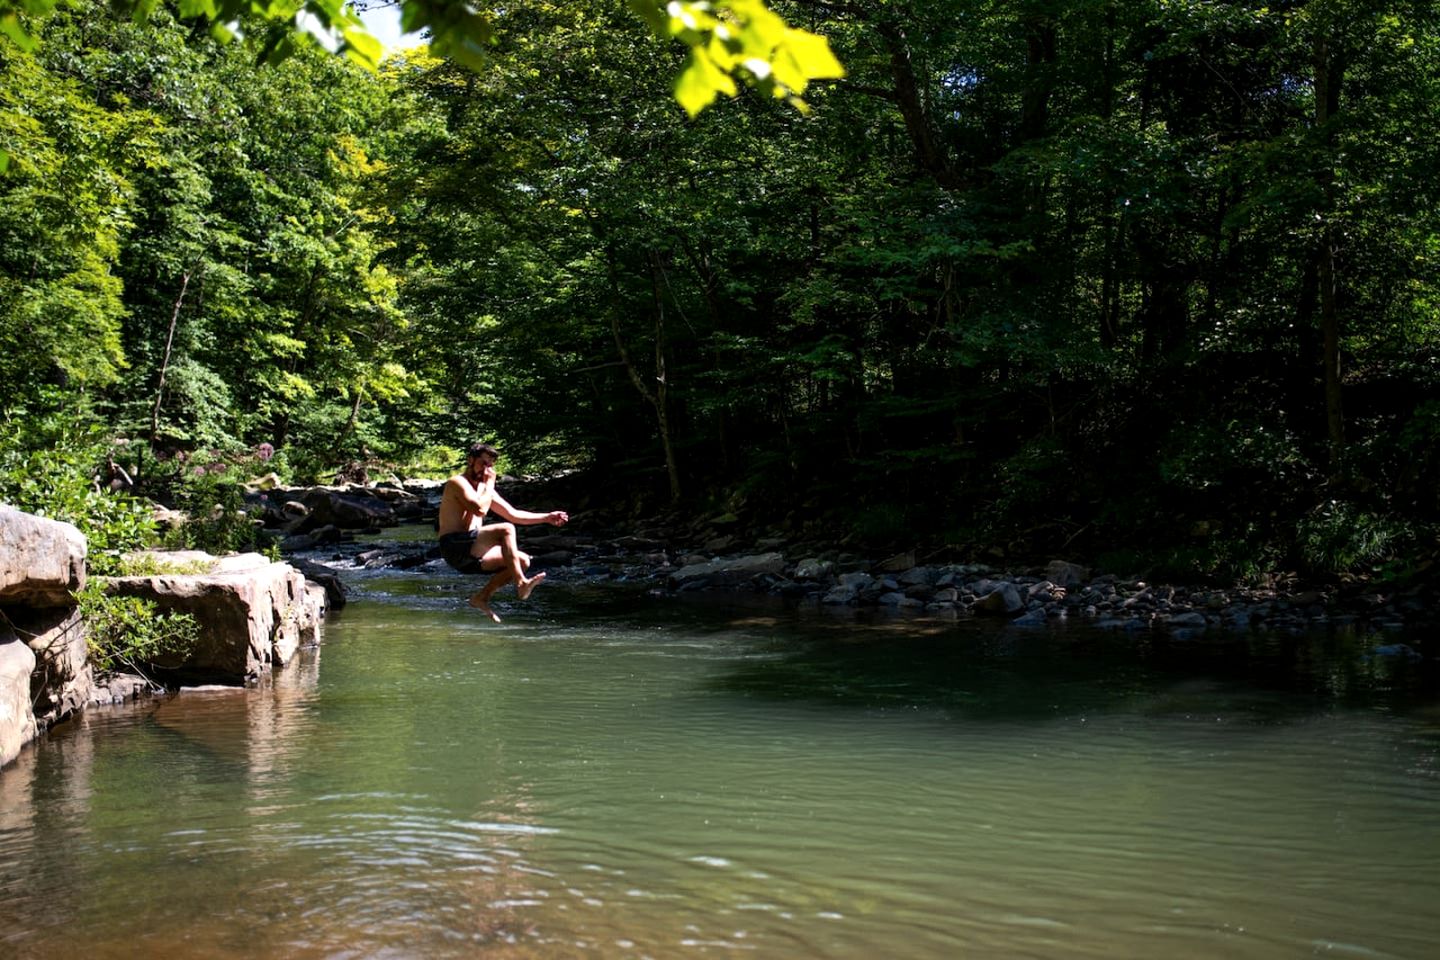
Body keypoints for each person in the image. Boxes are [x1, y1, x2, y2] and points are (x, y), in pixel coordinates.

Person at [437, 442, 569, 622]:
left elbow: (514, 514)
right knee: (505, 529)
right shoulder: (457, 482)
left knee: (521, 560)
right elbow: (479, 510)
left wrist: (547, 517)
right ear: (470, 460)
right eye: (483, 464)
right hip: (454, 545)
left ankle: (482, 597)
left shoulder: (485, 490)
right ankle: (521, 583)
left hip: (472, 553)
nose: (487, 470)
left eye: (490, 466)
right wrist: (490, 484)